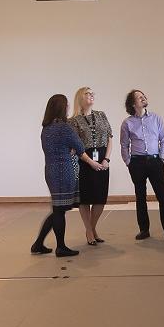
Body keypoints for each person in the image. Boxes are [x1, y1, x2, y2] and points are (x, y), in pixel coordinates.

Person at [30, 93, 102, 257]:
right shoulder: (64, 127)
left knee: (57, 209)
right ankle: (60, 247)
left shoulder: (46, 128)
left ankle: (38, 244)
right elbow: (80, 146)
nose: (69, 107)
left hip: (51, 171)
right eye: (67, 105)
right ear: (62, 108)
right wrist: (73, 148)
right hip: (64, 171)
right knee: (59, 210)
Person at [120, 88, 164, 241]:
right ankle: (144, 230)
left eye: (144, 96)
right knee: (140, 196)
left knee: (162, 195)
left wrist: (161, 157)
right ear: (133, 104)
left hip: (155, 161)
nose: (143, 98)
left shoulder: (156, 119)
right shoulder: (127, 123)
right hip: (137, 163)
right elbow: (124, 144)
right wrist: (128, 162)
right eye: (139, 97)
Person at [69, 86, 112, 246]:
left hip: (102, 159)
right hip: (84, 160)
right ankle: (89, 231)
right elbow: (76, 146)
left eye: (93, 93)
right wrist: (90, 162)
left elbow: (109, 138)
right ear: (80, 97)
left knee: (100, 198)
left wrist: (106, 159)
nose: (92, 95)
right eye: (88, 93)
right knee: (86, 199)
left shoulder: (101, 115)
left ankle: (91, 228)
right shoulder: (73, 121)